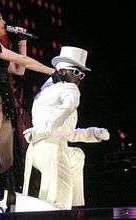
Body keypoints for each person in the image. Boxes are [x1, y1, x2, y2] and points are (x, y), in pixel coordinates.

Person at [0, 6, 55, 213]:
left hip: (2, 100)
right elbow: (22, 62)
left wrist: (22, 41)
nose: (3, 23)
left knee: (7, 158)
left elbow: (19, 70)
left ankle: (10, 203)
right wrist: (53, 71)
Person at [22, 46, 110, 210]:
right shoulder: (69, 89)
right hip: (50, 149)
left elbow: (65, 132)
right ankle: (62, 211)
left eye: (81, 74)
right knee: (58, 199)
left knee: (77, 156)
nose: (79, 78)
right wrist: (42, 131)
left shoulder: (49, 91)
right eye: (76, 73)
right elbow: (65, 110)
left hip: (41, 149)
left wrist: (92, 133)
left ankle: (76, 207)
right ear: (62, 71)